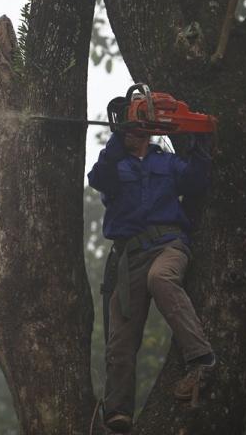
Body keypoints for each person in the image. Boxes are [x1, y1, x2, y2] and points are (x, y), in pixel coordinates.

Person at [87, 128, 216, 433]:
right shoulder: (114, 165)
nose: (134, 132)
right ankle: (118, 412)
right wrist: (118, 143)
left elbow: (197, 181)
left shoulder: (167, 162)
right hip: (130, 257)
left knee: (161, 279)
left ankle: (202, 359)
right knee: (120, 337)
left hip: (169, 245)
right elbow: (98, 179)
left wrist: (201, 141)